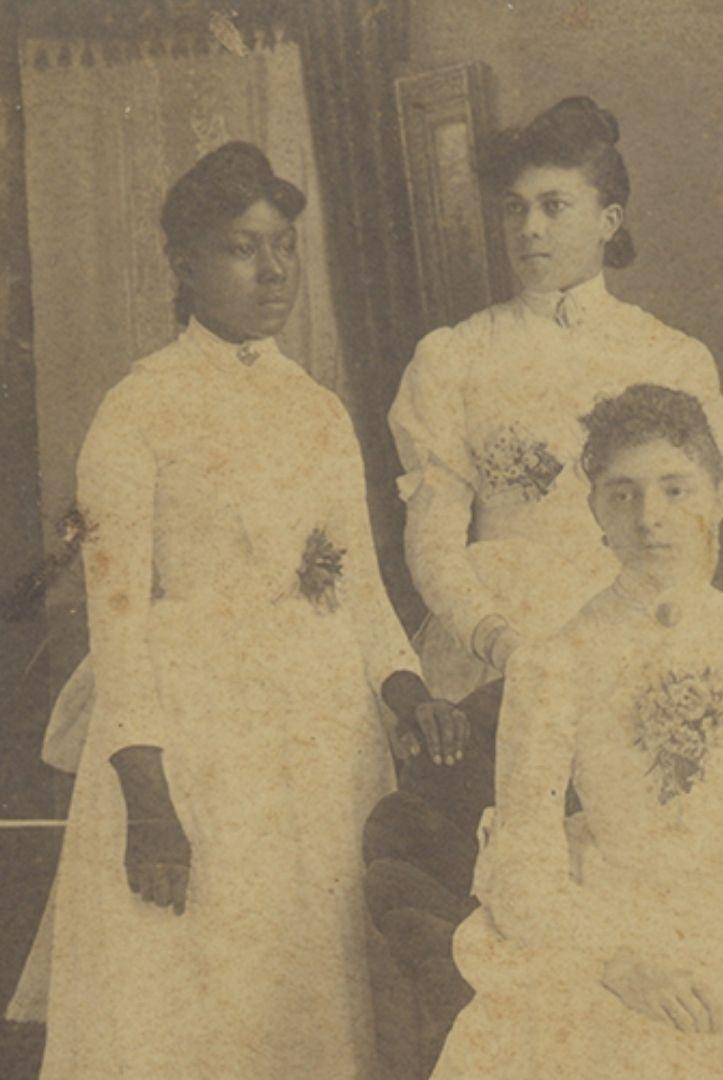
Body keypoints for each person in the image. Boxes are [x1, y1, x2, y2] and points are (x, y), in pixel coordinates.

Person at [33, 142, 460, 1078]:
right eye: (241, 247)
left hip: (318, 742)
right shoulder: (136, 410)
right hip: (194, 745)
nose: (272, 271)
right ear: (184, 264)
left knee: (305, 988)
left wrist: (406, 688)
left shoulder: (318, 410)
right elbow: (116, 622)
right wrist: (149, 801)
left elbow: (359, 589)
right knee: (199, 992)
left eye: (284, 245)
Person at [430, 385, 723, 1078]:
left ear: (720, 496)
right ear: (595, 508)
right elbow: (526, 855)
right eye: (622, 494)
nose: (650, 517)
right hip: (614, 925)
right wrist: (618, 965)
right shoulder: (554, 661)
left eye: (675, 490)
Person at [389, 94, 723, 707]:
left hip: (634, 636)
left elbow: (694, 535)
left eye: (554, 206)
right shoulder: (455, 356)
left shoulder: (670, 357)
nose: (529, 229)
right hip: (498, 645)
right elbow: (433, 541)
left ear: (608, 220)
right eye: (515, 208)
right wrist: (497, 641)